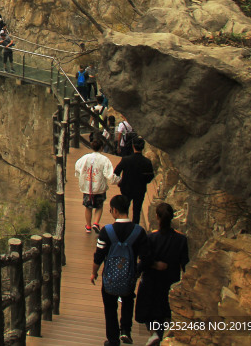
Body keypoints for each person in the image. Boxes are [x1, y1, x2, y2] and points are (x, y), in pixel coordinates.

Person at [92, 194, 150, 346]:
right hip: (129, 276)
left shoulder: (107, 231)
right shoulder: (139, 231)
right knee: (128, 300)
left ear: (115, 211)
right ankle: (125, 329)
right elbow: (145, 257)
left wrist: (94, 272)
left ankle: (113, 340)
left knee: (110, 307)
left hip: (110, 277)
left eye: (111, 210)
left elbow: (99, 255)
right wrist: (137, 272)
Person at [135, 203, 189, 345]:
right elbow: (185, 264)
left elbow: (145, 259)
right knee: (164, 310)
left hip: (151, 280)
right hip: (170, 280)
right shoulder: (181, 239)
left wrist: (138, 272)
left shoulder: (151, 237)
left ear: (157, 217)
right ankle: (161, 334)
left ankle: (154, 334)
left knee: (149, 309)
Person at [75, 138, 117, 233]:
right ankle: (96, 223)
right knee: (99, 206)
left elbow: (77, 167)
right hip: (99, 187)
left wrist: (79, 175)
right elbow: (108, 174)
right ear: (101, 148)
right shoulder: (105, 160)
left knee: (88, 206)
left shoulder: (85, 158)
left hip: (87, 187)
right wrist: (116, 180)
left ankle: (88, 226)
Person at [114, 138, 155, 225]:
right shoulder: (147, 162)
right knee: (137, 210)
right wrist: (144, 181)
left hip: (126, 188)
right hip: (140, 189)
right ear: (143, 147)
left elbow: (116, 172)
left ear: (133, 146)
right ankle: (135, 227)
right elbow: (150, 176)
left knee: (125, 208)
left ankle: (125, 225)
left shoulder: (126, 160)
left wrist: (120, 181)